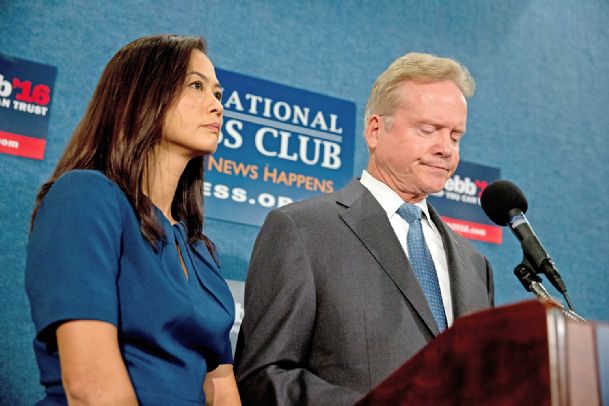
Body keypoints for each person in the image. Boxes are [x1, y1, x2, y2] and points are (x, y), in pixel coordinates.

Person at [234, 52, 494, 405]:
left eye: (455, 136)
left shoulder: (475, 264)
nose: (445, 149)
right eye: (428, 129)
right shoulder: (302, 231)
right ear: (375, 130)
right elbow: (263, 376)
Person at [25, 34, 241, 405]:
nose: (217, 106)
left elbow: (221, 388)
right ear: (142, 94)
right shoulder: (85, 197)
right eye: (196, 86)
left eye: (218, 94)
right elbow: (92, 388)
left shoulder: (200, 250)